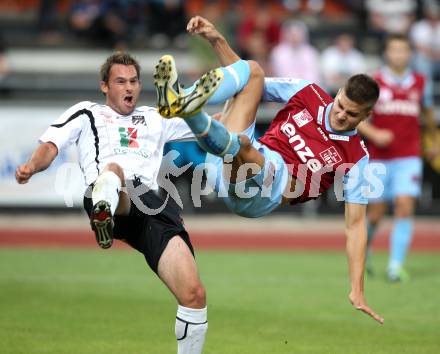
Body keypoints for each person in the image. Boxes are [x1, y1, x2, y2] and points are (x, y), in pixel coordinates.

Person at [155, 16, 384, 324]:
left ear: (366, 115)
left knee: (244, 145)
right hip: (233, 161)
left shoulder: (357, 157)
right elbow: (248, 82)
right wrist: (216, 39)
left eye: (351, 113)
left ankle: (194, 114)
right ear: (339, 91)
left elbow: (355, 226)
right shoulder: (310, 94)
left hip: (262, 193)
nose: (340, 114)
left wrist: (357, 288)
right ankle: (185, 102)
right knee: (253, 71)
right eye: (340, 103)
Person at [15, 52, 208, 354]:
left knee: (194, 294)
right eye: (120, 81)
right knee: (114, 172)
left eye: (133, 81)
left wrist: (242, 92)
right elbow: (51, 145)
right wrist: (31, 166)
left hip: (150, 207)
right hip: (107, 192)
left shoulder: (156, 118)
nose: (128, 87)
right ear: (104, 86)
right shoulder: (86, 113)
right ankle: (104, 212)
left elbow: (214, 127)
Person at [357, 34, 440, 281]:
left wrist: (433, 141)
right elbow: (357, 116)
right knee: (375, 213)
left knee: (404, 207)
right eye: (394, 50)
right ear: (386, 53)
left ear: (409, 54)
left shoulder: (420, 82)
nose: (399, 55)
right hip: (378, 158)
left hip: (408, 155)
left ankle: (395, 266)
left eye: (403, 50)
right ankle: (366, 251)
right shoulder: (375, 82)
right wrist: (375, 133)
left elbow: (427, 115)